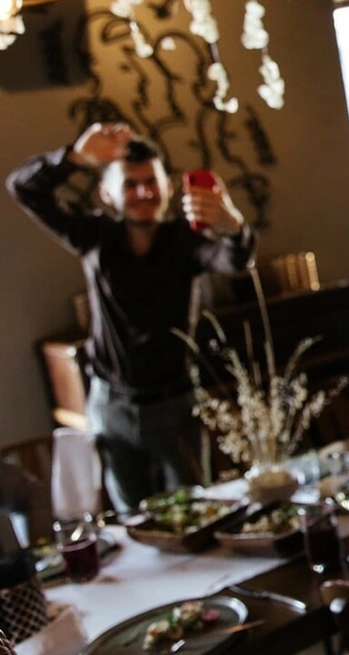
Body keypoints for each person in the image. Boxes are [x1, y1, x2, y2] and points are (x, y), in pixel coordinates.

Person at [7, 123, 257, 511]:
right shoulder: (94, 236)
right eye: (130, 184)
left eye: (151, 182)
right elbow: (24, 188)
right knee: (133, 519)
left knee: (198, 512)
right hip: (112, 404)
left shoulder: (184, 241)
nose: (143, 193)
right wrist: (75, 156)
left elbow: (233, 261)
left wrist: (233, 224)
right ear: (107, 193)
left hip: (176, 403)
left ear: (168, 187)